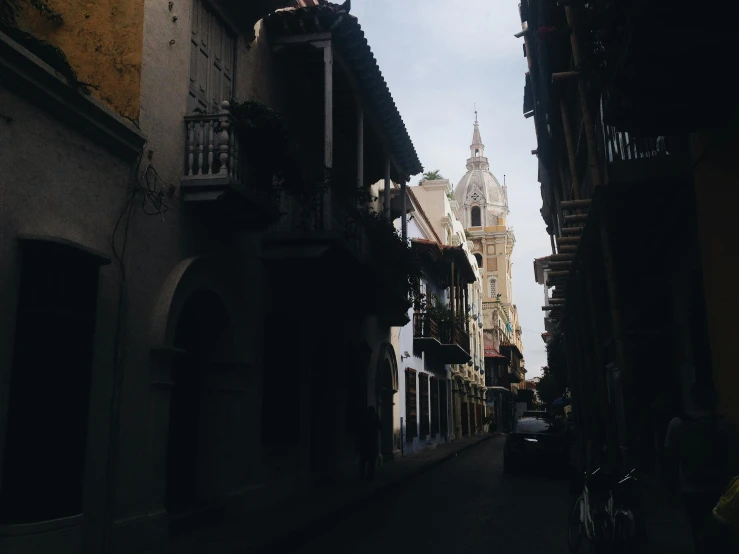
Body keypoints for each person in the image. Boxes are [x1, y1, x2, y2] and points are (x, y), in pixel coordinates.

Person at [664, 381, 739, 552]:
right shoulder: (726, 425)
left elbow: (670, 459)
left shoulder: (677, 424)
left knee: (698, 532)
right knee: (725, 534)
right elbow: (734, 458)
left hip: (690, 489)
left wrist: (670, 490)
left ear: (692, 399)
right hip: (721, 489)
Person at [358, 406, 381, 482]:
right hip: (372, 442)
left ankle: (362, 476)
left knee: (363, 461)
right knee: (371, 462)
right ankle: (369, 477)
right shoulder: (374, 416)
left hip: (365, 442)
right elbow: (380, 426)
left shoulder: (363, 418)